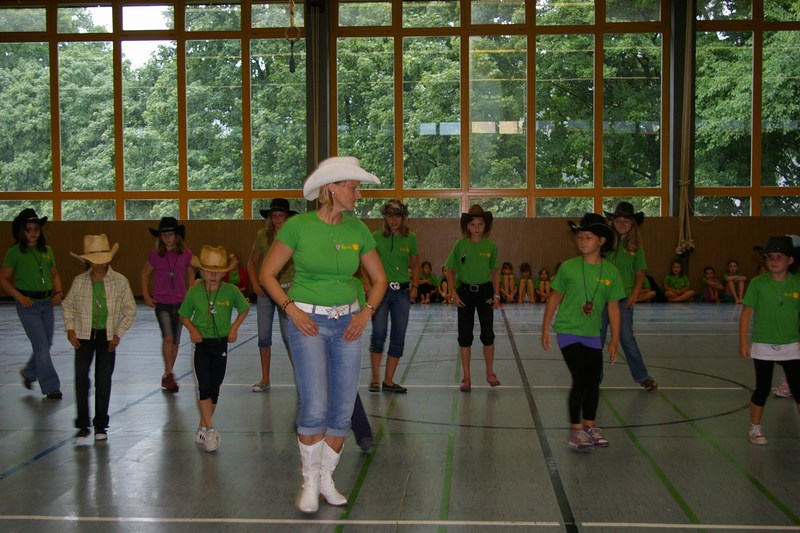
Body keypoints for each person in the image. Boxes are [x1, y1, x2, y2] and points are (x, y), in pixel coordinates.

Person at [259, 156, 388, 513]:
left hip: (348, 324)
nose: (359, 194)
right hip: (308, 325)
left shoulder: (358, 230)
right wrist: (291, 309)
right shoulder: (298, 227)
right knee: (315, 406)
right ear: (332, 188)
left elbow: (379, 280)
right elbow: (267, 274)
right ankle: (309, 481)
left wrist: (366, 312)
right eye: (353, 187)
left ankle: (327, 477)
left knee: (343, 409)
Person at [541, 213, 623, 450]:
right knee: (580, 378)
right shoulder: (568, 267)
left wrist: (614, 340)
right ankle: (576, 430)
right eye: (580, 237)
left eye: (588, 237)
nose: (583, 241)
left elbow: (613, 308)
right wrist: (545, 327)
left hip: (592, 334)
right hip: (568, 330)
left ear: (601, 241)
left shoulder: (611, 273)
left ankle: (590, 426)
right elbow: (554, 297)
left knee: (593, 381)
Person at [63, 234, 137, 444]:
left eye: (102, 260)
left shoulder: (120, 281)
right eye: (93, 261)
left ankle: (101, 425)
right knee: (81, 378)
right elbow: (68, 305)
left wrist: (118, 333)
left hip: (107, 338)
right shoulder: (80, 281)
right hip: (83, 336)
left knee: (103, 380)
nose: (98, 265)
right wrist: (70, 328)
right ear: (87, 261)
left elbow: (130, 310)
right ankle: (82, 426)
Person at [180, 245, 250, 452]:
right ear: (201, 271)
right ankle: (211, 430)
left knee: (215, 387)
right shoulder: (194, 292)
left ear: (224, 273)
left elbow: (244, 309)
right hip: (201, 344)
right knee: (203, 385)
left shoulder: (231, 291)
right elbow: (183, 314)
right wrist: (193, 330)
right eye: (208, 271)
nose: (212, 275)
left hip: (220, 344)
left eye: (217, 272)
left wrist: (234, 328)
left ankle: (202, 427)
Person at [738, 236, 800, 445]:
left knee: (799, 388)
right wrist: (743, 341)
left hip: (792, 344)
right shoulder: (758, 283)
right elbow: (746, 314)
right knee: (762, 388)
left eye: (779, 257)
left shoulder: (797, 283)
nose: (773, 261)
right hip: (763, 344)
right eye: (770, 257)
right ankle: (754, 428)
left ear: (790, 260)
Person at [1, 208, 64, 399]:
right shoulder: (14, 252)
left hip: (47, 303)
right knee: (41, 346)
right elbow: (3, 279)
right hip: (28, 305)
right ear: (21, 231)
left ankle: (29, 372)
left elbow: (54, 274)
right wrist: (19, 297)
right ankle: (51, 387)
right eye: (29, 229)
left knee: (46, 343)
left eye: (36, 229)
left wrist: (58, 292)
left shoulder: (47, 251)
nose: (33, 233)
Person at [444, 204, 501, 392]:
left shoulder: (491, 246)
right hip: (465, 293)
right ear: (467, 226)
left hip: (485, 293)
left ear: (486, 226)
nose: (477, 228)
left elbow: (495, 271)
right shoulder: (460, 245)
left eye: (480, 224)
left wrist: (496, 294)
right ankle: (467, 377)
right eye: (473, 224)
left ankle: (490, 372)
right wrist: (453, 292)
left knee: (488, 335)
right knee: (465, 336)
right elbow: (449, 270)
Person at [602, 201, 657, 391]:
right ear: (613, 222)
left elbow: (640, 274)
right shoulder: (605, 244)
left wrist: (634, 295)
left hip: (623, 299)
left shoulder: (636, 248)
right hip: (603, 299)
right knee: (597, 339)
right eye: (618, 220)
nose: (622, 223)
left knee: (626, 339)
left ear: (633, 223)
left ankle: (642, 376)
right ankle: (593, 379)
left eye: (626, 220)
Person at [367, 199, 419, 394]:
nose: (394, 220)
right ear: (385, 218)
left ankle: (388, 381)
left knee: (399, 335)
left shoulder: (410, 238)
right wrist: (368, 285)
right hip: (381, 291)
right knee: (379, 332)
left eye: (397, 216)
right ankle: (375, 378)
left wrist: (415, 285)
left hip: (402, 292)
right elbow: (365, 261)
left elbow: (416, 263)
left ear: (403, 218)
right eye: (390, 216)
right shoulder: (375, 237)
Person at [247, 198, 298, 393]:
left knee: (289, 336)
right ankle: (265, 378)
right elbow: (252, 262)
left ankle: (300, 378)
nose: (277, 220)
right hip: (266, 291)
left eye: (281, 216)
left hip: (287, 289)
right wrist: (255, 284)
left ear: (287, 217)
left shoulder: (294, 234)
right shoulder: (263, 235)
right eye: (274, 216)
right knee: (263, 336)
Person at [140, 217, 194, 393]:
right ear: (160, 237)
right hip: (162, 302)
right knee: (168, 337)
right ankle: (169, 374)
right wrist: (146, 295)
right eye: (164, 235)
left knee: (176, 340)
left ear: (177, 236)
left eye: (170, 234)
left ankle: (167, 373)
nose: (167, 238)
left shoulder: (186, 254)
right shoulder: (155, 255)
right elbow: (145, 274)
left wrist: (190, 294)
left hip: (180, 303)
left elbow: (191, 273)